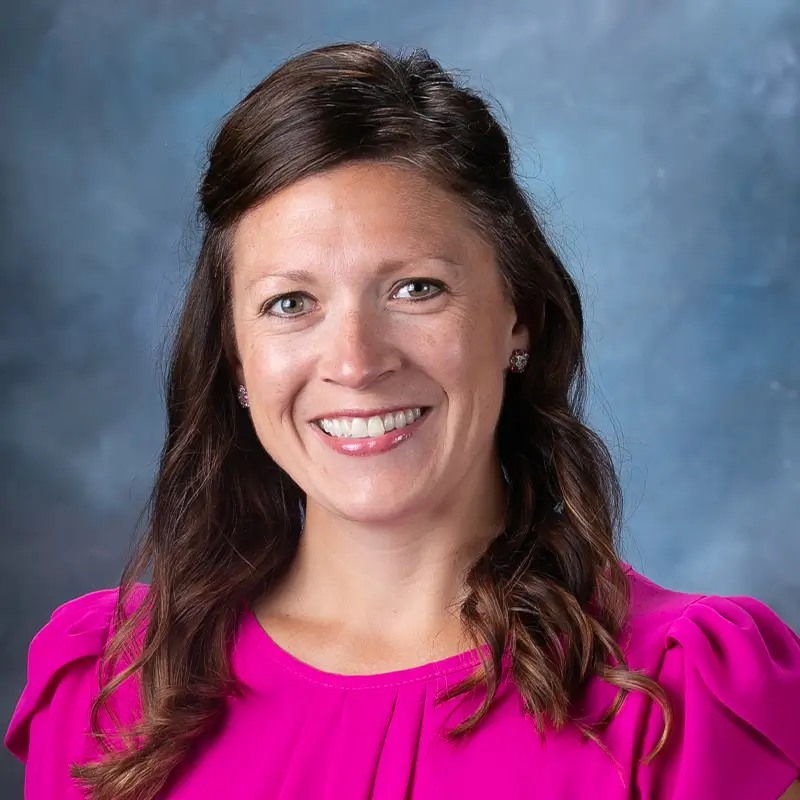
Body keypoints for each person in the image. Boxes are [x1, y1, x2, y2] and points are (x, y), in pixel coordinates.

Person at [5, 41, 800, 800]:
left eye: (415, 289)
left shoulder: (683, 700)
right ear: (238, 359)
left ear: (517, 317)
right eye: (291, 303)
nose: (354, 361)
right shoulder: (105, 691)